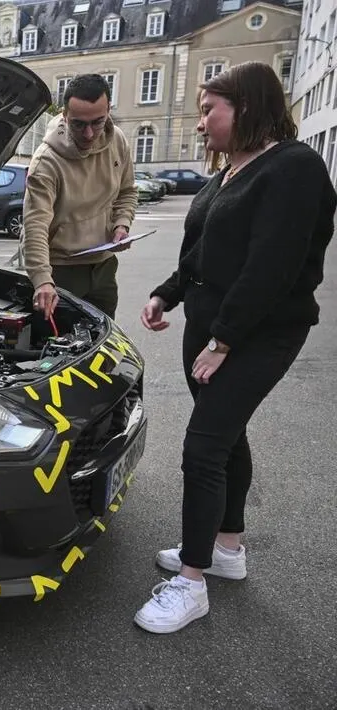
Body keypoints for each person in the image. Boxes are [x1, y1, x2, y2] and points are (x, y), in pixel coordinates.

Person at [134, 61, 336, 634]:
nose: (200, 123)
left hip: (257, 333)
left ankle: (191, 582)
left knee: (203, 448)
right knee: (226, 437)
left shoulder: (293, 167)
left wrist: (224, 340)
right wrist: (166, 293)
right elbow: (202, 251)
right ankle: (226, 548)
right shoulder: (231, 170)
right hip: (212, 327)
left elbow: (272, 265)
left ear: (244, 106)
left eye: (208, 111)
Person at [22, 73, 138, 320]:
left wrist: (122, 224)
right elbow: (35, 225)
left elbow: (127, 191)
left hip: (104, 267)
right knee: (58, 342)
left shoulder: (117, 140)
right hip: (61, 272)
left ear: (108, 111)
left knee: (106, 339)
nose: (89, 134)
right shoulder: (46, 161)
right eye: (78, 124)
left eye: (97, 122)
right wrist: (42, 280)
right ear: (65, 115)